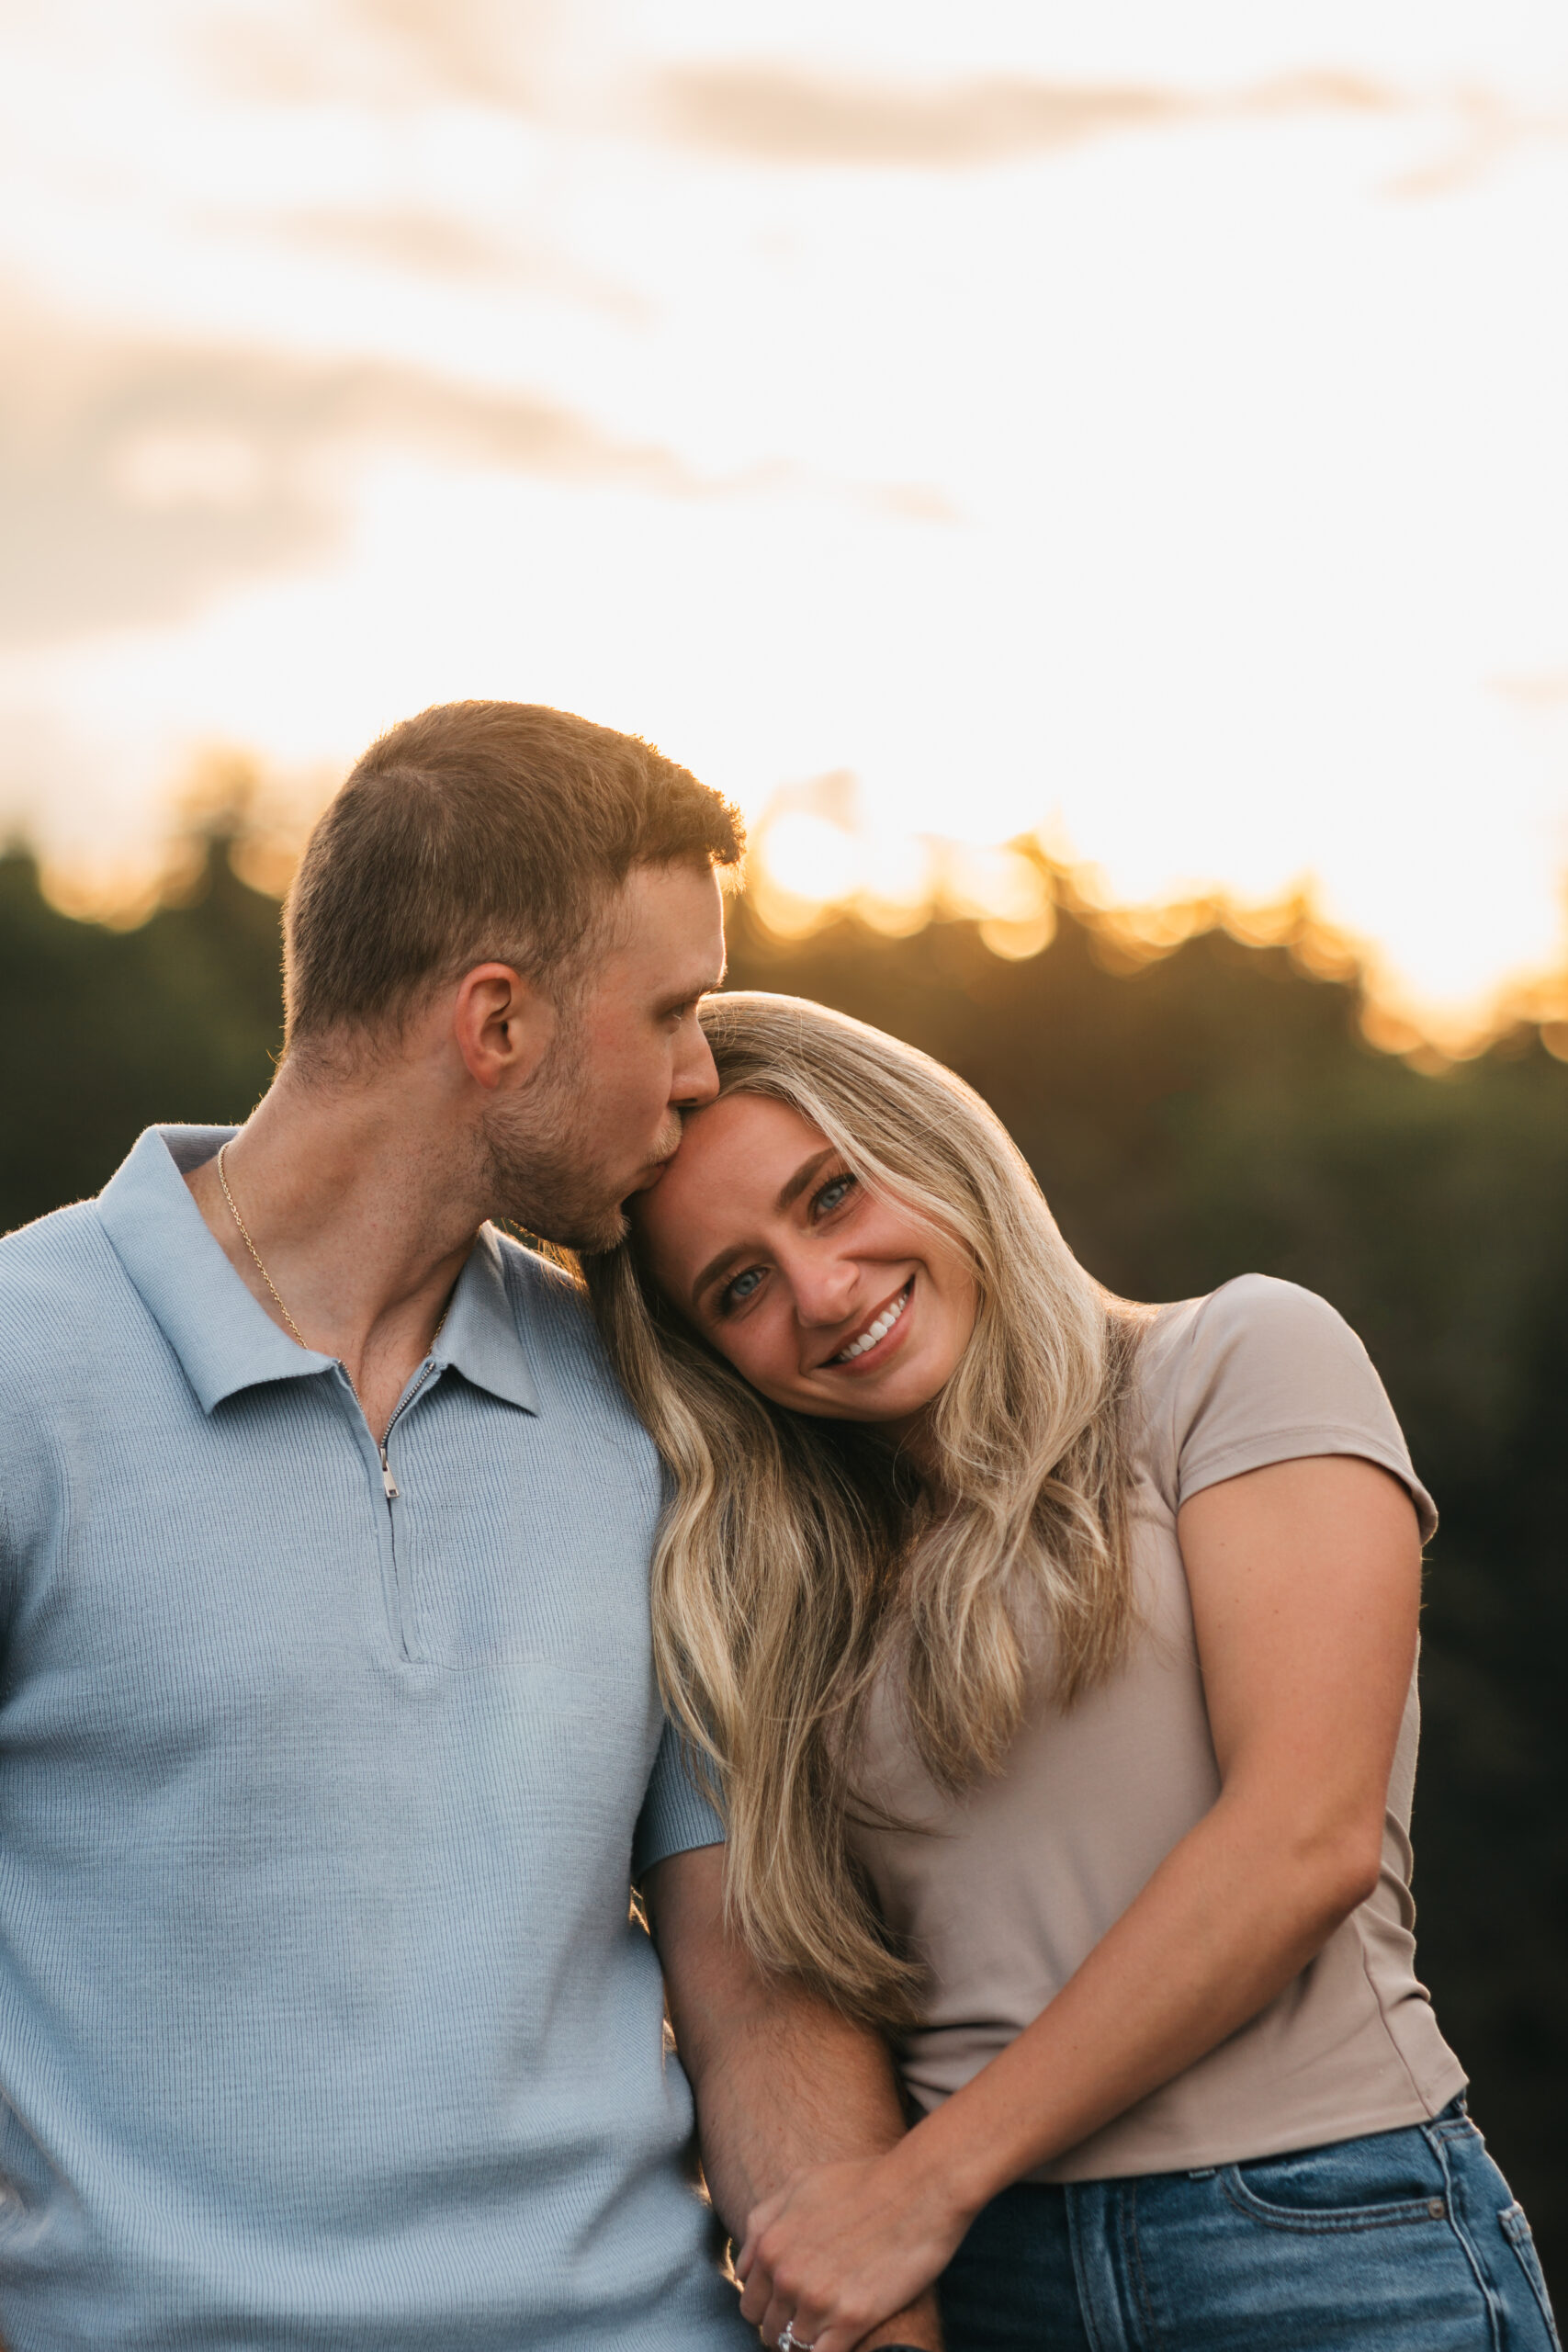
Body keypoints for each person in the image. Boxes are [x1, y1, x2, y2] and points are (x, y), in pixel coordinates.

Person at [0, 710, 941, 2352]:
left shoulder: (660, 1406)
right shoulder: (22, 1372)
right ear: (497, 1020)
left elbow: (756, 1987)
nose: (701, 1071)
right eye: (670, 1012)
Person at [586, 989, 1562, 2352]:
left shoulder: (1234, 1363)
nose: (821, 1293)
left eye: (829, 1196)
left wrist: (923, 2189)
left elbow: (1302, 1840)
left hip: (1320, 2241)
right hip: (989, 2288)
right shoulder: (787, 1600)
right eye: (737, 1288)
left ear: (929, 1141)